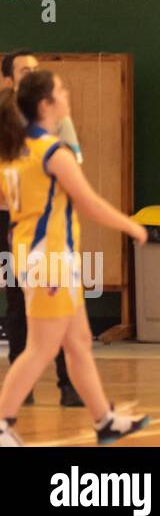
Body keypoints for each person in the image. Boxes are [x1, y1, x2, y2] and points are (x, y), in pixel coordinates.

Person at [0, 70, 150, 446]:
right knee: (40, 349)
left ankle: (104, 420)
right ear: (45, 104)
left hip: (36, 255)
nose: (67, 94)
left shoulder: (15, 153)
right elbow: (89, 203)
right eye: (61, 89)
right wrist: (132, 227)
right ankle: (2, 422)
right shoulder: (53, 151)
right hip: (49, 260)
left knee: (79, 341)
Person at [1, 50, 83, 408]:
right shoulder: (5, 120)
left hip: (51, 225)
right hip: (14, 222)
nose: (31, 74)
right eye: (23, 70)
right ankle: (23, 389)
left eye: (36, 69)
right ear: (8, 80)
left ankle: (70, 385)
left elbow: (74, 161)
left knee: (67, 311)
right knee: (19, 303)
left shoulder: (57, 127)